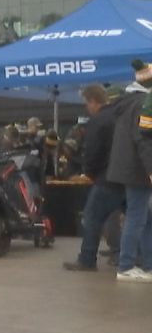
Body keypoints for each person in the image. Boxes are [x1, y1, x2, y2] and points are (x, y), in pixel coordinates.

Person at [64, 84, 124, 273]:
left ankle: (87, 260)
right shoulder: (119, 116)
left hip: (106, 178)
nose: (87, 108)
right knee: (138, 219)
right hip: (127, 177)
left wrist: (88, 173)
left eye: (86, 103)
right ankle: (134, 255)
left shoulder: (98, 120)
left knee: (92, 217)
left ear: (92, 101)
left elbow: (92, 152)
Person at [106, 61, 152, 282]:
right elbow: (143, 139)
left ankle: (147, 264)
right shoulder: (143, 103)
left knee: (143, 217)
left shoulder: (127, 102)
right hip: (138, 169)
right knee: (137, 217)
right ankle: (126, 266)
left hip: (127, 167)